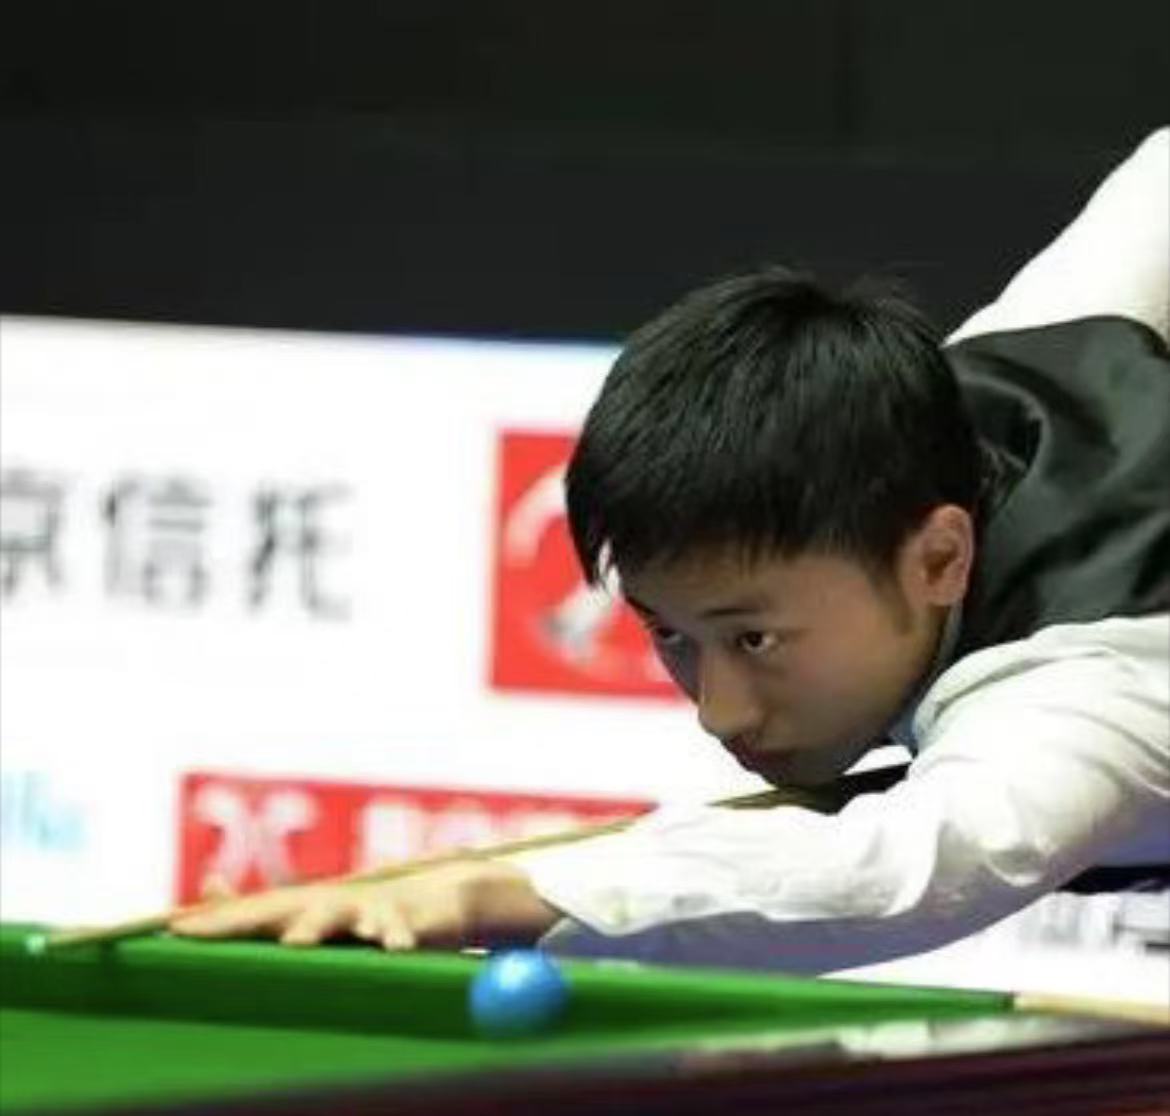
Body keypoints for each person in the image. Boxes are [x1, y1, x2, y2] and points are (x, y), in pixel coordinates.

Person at [172, 128, 1169, 974]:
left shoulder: (1087, 692)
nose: (719, 711)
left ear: (940, 559)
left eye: (755, 639)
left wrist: (489, 896)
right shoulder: (986, 386)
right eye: (673, 637)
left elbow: (898, 867)